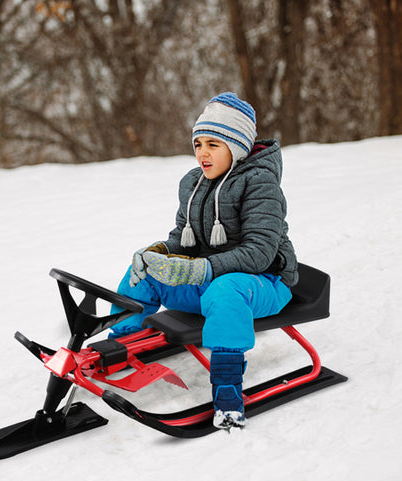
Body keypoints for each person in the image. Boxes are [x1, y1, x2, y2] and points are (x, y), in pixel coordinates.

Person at [110, 92, 298, 430]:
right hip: (210, 282)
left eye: (213, 144)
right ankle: (120, 346)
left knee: (225, 290)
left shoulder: (261, 184)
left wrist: (203, 268)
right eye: (198, 144)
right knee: (144, 274)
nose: (203, 153)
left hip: (264, 283)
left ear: (236, 147)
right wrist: (157, 254)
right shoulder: (192, 184)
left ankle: (228, 396)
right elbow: (181, 236)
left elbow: (260, 253)